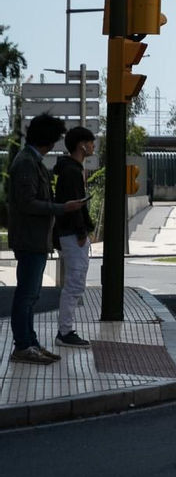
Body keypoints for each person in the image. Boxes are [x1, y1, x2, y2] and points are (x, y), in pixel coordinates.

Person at [5, 114, 84, 364]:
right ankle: (23, 346)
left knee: (31, 295)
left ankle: (30, 342)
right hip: (30, 238)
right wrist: (63, 208)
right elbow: (27, 202)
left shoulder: (32, 161)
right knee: (26, 295)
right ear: (48, 141)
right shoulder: (27, 163)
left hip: (36, 238)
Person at [51, 126, 96, 349]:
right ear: (82, 145)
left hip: (70, 234)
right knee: (74, 285)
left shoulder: (71, 169)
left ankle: (66, 330)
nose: (93, 146)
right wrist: (81, 232)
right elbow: (74, 205)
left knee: (74, 284)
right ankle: (65, 332)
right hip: (72, 235)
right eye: (91, 142)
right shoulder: (72, 172)